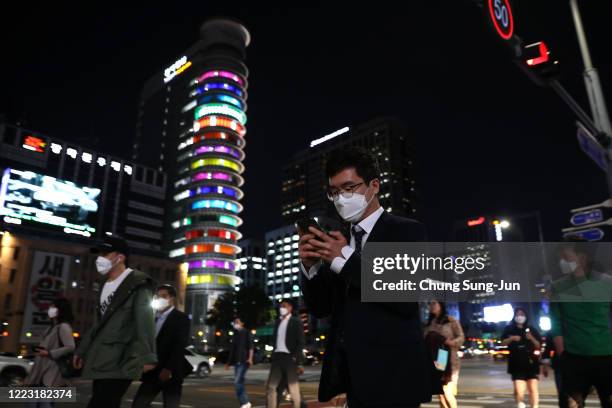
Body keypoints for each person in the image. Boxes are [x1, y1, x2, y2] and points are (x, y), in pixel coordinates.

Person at [298, 147, 435, 407]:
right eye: (334, 192)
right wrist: (311, 267)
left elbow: (404, 298)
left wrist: (344, 259)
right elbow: (320, 308)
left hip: (395, 378)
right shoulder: (338, 240)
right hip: (352, 380)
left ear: (374, 186)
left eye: (349, 188)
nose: (341, 198)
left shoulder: (406, 231)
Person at [73, 235, 157, 408]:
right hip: (102, 358)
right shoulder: (105, 284)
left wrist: (148, 357)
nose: (100, 258)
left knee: (100, 404)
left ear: (120, 257)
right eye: (99, 254)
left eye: (105, 253)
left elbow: (145, 321)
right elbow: (98, 324)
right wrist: (82, 350)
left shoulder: (137, 283)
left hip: (124, 358)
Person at [550, 239, 612, 408]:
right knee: (571, 404)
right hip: (574, 358)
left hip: (607, 356)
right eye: (560, 258)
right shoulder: (557, 287)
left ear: (582, 258)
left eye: (566, 257)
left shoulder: (607, 283)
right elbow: (555, 323)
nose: (561, 262)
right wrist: (563, 354)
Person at [132, 284, 191, 408]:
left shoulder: (181, 318)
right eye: (157, 296)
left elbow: (179, 345)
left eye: (164, 296)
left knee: (171, 405)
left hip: (171, 373)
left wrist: (168, 369)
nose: (160, 299)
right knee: (139, 404)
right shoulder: (152, 318)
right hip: (152, 371)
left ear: (172, 299)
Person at [24, 298, 76, 407]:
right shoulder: (50, 328)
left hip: (51, 372)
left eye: (52, 307)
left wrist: (50, 353)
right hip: (40, 372)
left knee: (43, 404)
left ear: (60, 310)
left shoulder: (64, 327)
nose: (49, 310)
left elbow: (70, 346)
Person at [423, 301, 465, 408]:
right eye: (430, 304)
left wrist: (451, 342)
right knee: (440, 394)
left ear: (440, 305)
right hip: (436, 358)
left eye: (434, 303)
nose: (431, 306)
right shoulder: (429, 323)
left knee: (448, 392)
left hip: (449, 357)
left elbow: (461, 337)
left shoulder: (450, 320)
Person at [265, 300, 305, 408]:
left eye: (284, 306)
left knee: (293, 388)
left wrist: (299, 362)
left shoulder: (296, 321)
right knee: (271, 386)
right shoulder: (277, 322)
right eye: (280, 306)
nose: (281, 308)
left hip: (289, 358)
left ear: (290, 308)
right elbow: (275, 339)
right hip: (278, 357)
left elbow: (300, 342)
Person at [501, 307, 541, 408]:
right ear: (514, 316)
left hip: (531, 363)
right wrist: (512, 338)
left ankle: (534, 406)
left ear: (526, 316)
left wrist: (531, 338)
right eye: (518, 314)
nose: (520, 317)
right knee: (519, 390)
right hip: (516, 363)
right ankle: (520, 403)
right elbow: (503, 342)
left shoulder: (531, 329)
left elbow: (538, 345)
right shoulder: (509, 329)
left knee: (533, 388)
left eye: (522, 314)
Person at [225, 316, 254, 408]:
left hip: (244, 361)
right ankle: (245, 403)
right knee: (239, 382)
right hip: (236, 362)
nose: (235, 324)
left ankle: (244, 402)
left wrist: (250, 358)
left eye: (237, 322)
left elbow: (251, 346)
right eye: (234, 322)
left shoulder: (246, 332)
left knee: (237, 382)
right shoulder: (235, 334)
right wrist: (228, 363)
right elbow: (232, 349)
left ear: (242, 323)